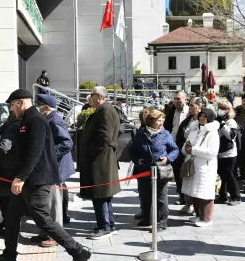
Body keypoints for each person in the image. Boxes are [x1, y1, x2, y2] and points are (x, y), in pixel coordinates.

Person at [0, 89, 91, 261]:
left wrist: (21, 177)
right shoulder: (27, 120)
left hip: (35, 181)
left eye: (12, 105)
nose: (11, 109)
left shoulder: (35, 121)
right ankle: (8, 257)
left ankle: (78, 251)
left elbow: (34, 152)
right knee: (11, 216)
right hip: (28, 180)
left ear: (21, 102)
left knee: (43, 219)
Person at [32, 94, 75, 246]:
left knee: (54, 203)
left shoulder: (55, 119)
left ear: (46, 107)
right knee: (48, 203)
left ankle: (55, 236)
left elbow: (66, 143)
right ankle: (46, 232)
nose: (36, 106)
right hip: (52, 167)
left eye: (38, 104)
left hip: (57, 169)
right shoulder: (48, 118)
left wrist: (49, 154)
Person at [78, 86, 121, 239]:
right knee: (103, 195)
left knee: (100, 195)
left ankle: (105, 226)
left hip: (100, 162)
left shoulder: (105, 110)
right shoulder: (104, 109)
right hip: (102, 160)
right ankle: (108, 224)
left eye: (92, 94)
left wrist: (91, 154)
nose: (90, 97)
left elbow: (105, 137)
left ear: (100, 96)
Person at [130, 110, 179, 231]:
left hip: (160, 171)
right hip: (144, 171)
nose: (161, 122)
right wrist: (137, 160)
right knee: (145, 197)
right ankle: (147, 219)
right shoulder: (141, 134)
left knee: (161, 198)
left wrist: (168, 158)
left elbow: (175, 149)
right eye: (159, 120)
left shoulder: (165, 134)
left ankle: (161, 223)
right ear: (151, 121)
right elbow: (131, 150)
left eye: (163, 120)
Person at [181, 109, 220, 225]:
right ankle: (198, 215)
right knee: (194, 191)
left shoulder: (212, 133)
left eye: (205, 116)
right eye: (200, 116)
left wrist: (194, 150)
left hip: (205, 166)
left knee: (205, 192)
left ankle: (207, 218)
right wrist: (186, 149)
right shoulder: (194, 130)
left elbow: (212, 152)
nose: (202, 118)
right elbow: (185, 146)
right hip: (193, 163)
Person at [176, 99, 202, 216]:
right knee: (186, 179)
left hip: (198, 156)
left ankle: (196, 207)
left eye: (192, 105)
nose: (190, 107)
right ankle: (187, 203)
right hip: (186, 154)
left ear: (199, 107)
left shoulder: (204, 121)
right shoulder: (187, 120)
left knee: (195, 182)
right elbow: (181, 135)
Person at [163, 91, 188, 208]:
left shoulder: (190, 112)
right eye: (175, 99)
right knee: (177, 171)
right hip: (173, 144)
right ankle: (180, 194)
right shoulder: (171, 111)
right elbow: (167, 126)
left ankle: (186, 197)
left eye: (178, 99)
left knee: (185, 171)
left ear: (185, 99)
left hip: (185, 144)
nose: (176, 101)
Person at [215, 100, 241, 205]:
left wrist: (222, 124)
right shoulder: (217, 120)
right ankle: (223, 196)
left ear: (229, 110)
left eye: (224, 108)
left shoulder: (231, 122)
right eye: (220, 107)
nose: (221, 110)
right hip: (219, 152)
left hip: (229, 153)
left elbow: (231, 136)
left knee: (229, 175)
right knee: (222, 175)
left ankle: (236, 197)